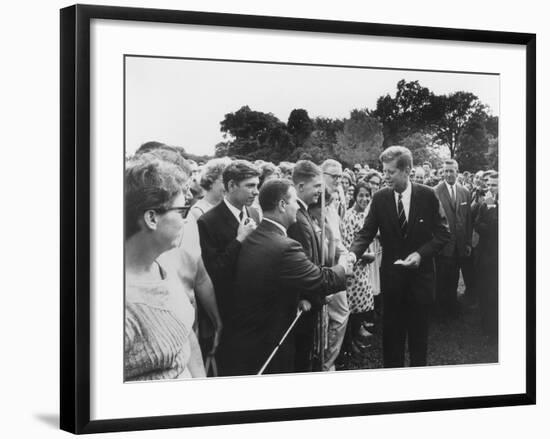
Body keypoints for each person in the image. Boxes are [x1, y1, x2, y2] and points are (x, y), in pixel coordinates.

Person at [223, 179, 350, 376]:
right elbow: (321, 279)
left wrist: (299, 297)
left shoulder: (254, 235)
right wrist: (343, 266)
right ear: (282, 205)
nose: (297, 209)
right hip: (270, 340)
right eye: (294, 203)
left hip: (247, 337)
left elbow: (273, 279)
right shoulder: (285, 246)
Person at [350, 146, 450, 367]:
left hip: (420, 281)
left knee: (418, 340)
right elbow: (365, 233)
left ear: (407, 170)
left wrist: (420, 254)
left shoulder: (428, 195)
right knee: (392, 340)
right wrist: (351, 256)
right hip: (393, 282)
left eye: (390, 172)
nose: (385, 177)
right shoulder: (380, 198)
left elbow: (444, 233)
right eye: (384, 171)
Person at [124, 155, 205, 380]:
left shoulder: (160, 266)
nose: (185, 220)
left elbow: (184, 335)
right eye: (181, 211)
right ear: (152, 218)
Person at [197, 160, 261, 374]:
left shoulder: (253, 213)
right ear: (232, 185)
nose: (256, 191)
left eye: (257, 185)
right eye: (250, 186)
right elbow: (213, 271)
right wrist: (239, 240)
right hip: (229, 312)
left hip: (253, 309)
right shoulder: (207, 222)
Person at [287, 160, 324, 371]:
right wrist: (307, 295)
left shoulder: (304, 213)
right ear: (300, 186)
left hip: (311, 297)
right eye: (316, 186)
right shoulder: (298, 218)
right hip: (306, 303)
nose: (320, 191)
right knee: (302, 356)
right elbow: (303, 264)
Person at [434, 159, 474, 318]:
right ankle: (440, 309)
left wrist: (468, 242)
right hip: (443, 245)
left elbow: (468, 219)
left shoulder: (465, 192)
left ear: (457, 171)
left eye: (452, 171)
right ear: (442, 172)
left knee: (455, 277)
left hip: (459, 245)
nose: (449, 174)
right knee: (442, 278)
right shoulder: (435, 191)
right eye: (446, 171)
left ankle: (452, 306)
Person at [341, 181, 376, 361]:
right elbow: (347, 245)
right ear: (354, 196)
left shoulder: (366, 214)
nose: (364, 199)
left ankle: (355, 336)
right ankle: (349, 343)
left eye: (367, 195)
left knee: (359, 307)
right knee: (351, 307)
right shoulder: (349, 216)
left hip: (363, 269)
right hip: (352, 269)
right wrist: (364, 257)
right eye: (361, 195)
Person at [475, 172, 499, 343]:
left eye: (494, 184)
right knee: (484, 289)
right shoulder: (486, 203)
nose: (490, 188)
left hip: (497, 254)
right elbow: (477, 224)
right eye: (489, 184)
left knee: (495, 291)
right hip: (484, 253)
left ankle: (495, 325)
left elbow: (495, 228)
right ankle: (486, 324)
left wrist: (488, 223)